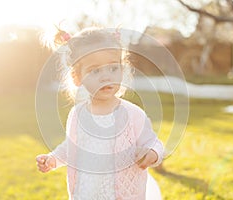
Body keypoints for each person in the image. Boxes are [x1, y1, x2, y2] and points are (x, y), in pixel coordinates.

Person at [36, 27, 164, 200]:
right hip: (87, 191)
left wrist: (151, 153)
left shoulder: (133, 114)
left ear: (122, 69)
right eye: (95, 70)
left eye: (113, 68)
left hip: (122, 193)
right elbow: (71, 147)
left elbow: (153, 142)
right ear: (77, 77)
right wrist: (53, 159)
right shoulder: (78, 114)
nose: (106, 77)